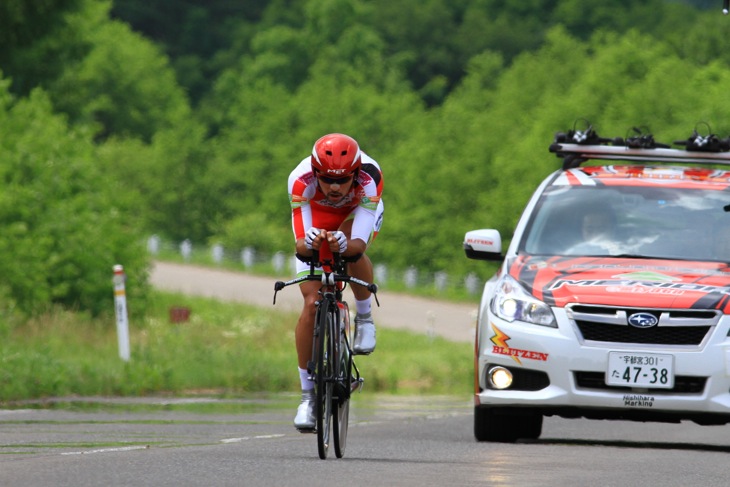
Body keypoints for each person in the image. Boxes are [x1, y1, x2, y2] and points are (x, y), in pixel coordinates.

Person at [288, 133, 384, 431]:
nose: (335, 187)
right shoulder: (300, 180)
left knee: (352, 255)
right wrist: (316, 242)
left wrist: (344, 243)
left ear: (356, 173)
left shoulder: (370, 178)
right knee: (312, 303)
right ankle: (308, 398)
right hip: (316, 216)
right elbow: (301, 247)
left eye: (343, 180)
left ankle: (365, 319)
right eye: (327, 179)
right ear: (315, 172)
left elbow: (358, 245)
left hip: (354, 215)